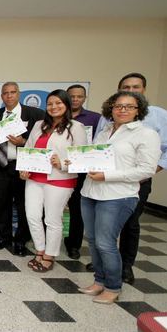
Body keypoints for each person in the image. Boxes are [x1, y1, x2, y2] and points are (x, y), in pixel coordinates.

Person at [77, 91, 160, 304]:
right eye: (118, 106)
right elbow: (94, 157)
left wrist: (107, 176)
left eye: (129, 106)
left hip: (118, 196)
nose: (122, 110)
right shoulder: (105, 131)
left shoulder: (146, 134)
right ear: (111, 109)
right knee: (94, 241)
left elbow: (146, 170)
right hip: (91, 192)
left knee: (106, 243)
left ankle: (113, 286)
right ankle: (99, 280)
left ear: (138, 110)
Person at [91, 73, 167, 284]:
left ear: (143, 92)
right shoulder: (106, 126)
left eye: (135, 87)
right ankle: (101, 276)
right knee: (98, 236)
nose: (123, 108)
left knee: (128, 226)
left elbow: (154, 160)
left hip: (130, 187)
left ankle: (124, 269)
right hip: (97, 186)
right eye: (126, 87)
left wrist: (150, 172)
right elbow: (94, 151)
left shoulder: (153, 123)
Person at [19, 90, 87, 272]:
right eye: (50, 104)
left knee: (52, 219)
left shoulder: (76, 127)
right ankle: (39, 249)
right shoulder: (39, 125)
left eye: (58, 103)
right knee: (32, 216)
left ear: (66, 105)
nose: (54, 107)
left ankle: (50, 254)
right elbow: (28, 148)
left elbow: (82, 158)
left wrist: (63, 164)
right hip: (34, 178)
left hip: (59, 179)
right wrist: (24, 168)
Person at [0, 82, 45, 256]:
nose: (9, 96)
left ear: (18, 94)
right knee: (1, 204)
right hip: (2, 165)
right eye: (5, 93)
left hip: (23, 167)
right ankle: (3, 237)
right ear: (1, 96)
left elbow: (40, 142)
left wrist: (23, 143)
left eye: (13, 92)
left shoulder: (34, 114)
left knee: (23, 206)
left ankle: (21, 241)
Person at [64, 84, 101, 259]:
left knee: (77, 209)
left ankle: (74, 245)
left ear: (84, 98)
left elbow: (100, 143)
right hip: (58, 169)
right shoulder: (55, 117)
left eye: (79, 96)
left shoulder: (96, 118)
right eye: (72, 96)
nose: (75, 99)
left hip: (81, 171)